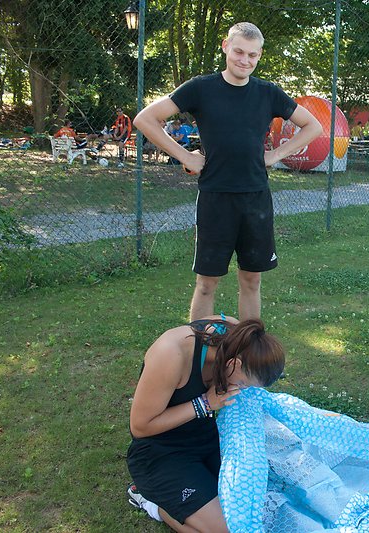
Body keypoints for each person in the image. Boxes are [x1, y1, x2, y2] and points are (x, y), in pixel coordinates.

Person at [134, 22, 322, 321]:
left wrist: (275, 155)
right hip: (215, 198)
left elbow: (313, 126)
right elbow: (145, 119)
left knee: (252, 280)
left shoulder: (268, 93)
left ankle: (249, 346)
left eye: (252, 55)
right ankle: (200, 347)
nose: (245, 60)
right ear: (225, 47)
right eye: (239, 52)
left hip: (256, 198)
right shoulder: (200, 88)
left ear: (259, 56)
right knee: (206, 283)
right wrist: (185, 156)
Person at [126, 315, 285, 532]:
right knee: (228, 530)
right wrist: (204, 404)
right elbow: (140, 427)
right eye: (242, 383)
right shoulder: (171, 353)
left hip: (204, 438)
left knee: (257, 509)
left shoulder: (240, 339)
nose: (241, 389)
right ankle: (151, 503)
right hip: (160, 453)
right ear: (234, 364)